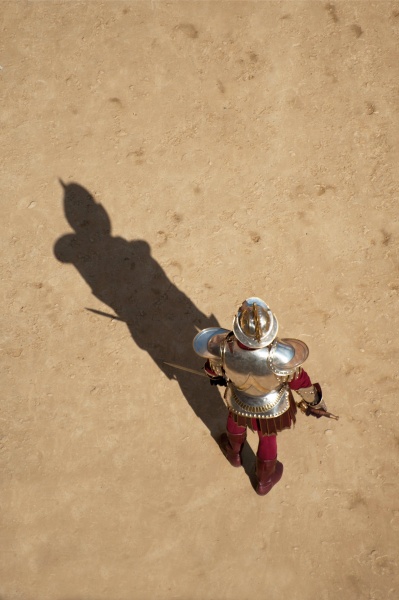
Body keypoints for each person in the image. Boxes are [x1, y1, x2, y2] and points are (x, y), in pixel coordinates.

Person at [193, 297, 328, 496]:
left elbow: (212, 370)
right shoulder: (281, 356)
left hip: (239, 398)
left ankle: (234, 453)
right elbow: (301, 382)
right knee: (267, 437)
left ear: (238, 327)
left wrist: (221, 373)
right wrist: (316, 402)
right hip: (271, 406)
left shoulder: (224, 347)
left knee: (235, 419)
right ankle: (264, 480)